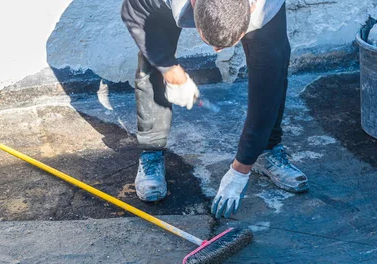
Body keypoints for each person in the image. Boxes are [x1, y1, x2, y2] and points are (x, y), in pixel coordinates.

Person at [121, 0, 308, 218]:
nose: (216, 50)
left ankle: (266, 148)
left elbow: (268, 84)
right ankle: (151, 152)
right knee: (152, 57)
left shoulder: (267, 6)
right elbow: (134, 15)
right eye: (213, 44)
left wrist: (241, 169)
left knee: (273, 66)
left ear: (252, 8)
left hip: (259, 14)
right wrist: (170, 70)